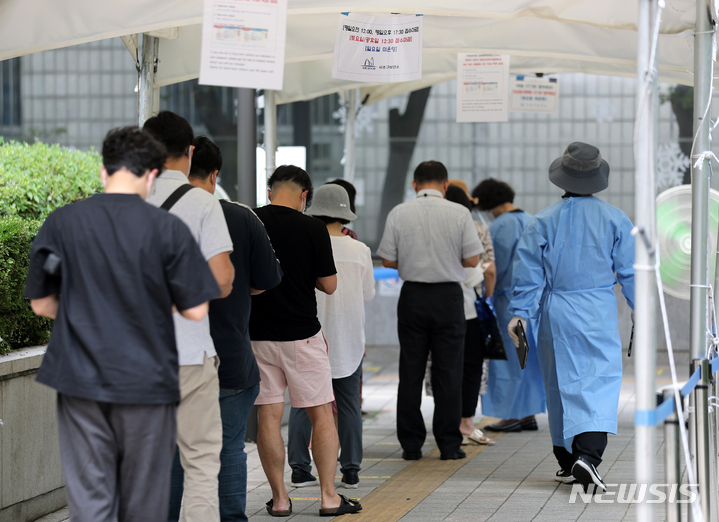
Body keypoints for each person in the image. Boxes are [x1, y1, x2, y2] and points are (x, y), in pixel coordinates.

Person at [24, 126, 219, 522]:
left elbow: (42, 303)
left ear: (103, 171)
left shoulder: (63, 222)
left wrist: (88, 307)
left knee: (90, 499)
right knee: (143, 503)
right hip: (147, 381)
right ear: (150, 175)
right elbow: (197, 309)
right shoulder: (168, 229)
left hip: (80, 379)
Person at [166, 136, 282, 521]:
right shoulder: (242, 217)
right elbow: (266, 279)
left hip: (171, 359)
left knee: (172, 453)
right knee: (229, 448)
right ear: (214, 174)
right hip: (229, 355)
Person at [507, 142, 635, 491]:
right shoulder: (616, 219)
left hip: (556, 309)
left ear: (561, 179)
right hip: (597, 308)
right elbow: (630, 272)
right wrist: (640, 310)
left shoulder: (542, 220)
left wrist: (520, 314)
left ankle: (566, 460)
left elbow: (528, 275)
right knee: (599, 380)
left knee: (559, 382)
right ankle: (588, 457)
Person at [249, 165, 362, 517]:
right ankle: (329, 497)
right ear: (304, 196)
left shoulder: (251, 220)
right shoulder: (312, 228)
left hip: (257, 335)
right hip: (302, 336)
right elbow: (329, 285)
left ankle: (281, 499)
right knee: (321, 415)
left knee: (268, 416)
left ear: (270, 192)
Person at [143, 111, 235, 522]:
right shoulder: (202, 202)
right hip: (188, 355)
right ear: (190, 151)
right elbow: (222, 281)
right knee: (199, 462)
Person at [378, 160, 482, 461]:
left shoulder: (399, 212)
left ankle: (411, 445)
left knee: (410, 369)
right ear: (446, 185)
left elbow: (387, 261)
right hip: (449, 297)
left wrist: (413, 261)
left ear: (415, 184)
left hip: (412, 296)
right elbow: (473, 260)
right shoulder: (459, 213)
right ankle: (449, 445)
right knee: (449, 371)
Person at [287, 184, 376, 490]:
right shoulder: (360, 250)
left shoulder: (305, 243)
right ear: (345, 213)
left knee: (302, 403)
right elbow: (368, 294)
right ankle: (350, 470)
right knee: (349, 404)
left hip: (309, 336)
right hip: (349, 338)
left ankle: (300, 469)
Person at [473, 178, 546, 433]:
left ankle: (510, 415)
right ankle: (527, 413)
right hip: (532, 302)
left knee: (507, 361)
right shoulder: (530, 218)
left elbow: (495, 266)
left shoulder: (500, 225)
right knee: (527, 359)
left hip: (506, 300)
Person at [444, 185, 496, 446]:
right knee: (473, 366)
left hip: (442, 306)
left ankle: (447, 423)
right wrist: (487, 298)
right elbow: (490, 271)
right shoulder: (477, 228)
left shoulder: (438, 226)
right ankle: (466, 423)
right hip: (473, 309)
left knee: (446, 366)